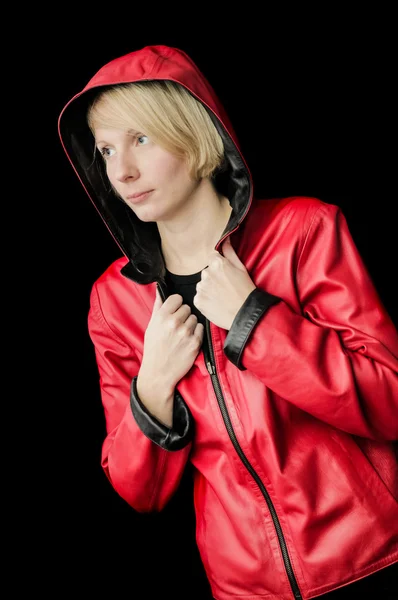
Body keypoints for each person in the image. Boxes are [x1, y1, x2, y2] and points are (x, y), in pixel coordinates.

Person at [58, 44, 398, 600]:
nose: (121, 170)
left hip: (374, 557)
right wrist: (153, 385)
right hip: (245, 589)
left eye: (140, 139)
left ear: (191, 135)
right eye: (105, 150)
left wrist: (254, 321)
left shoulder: (303, 232)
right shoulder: (113, 300)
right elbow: (139, 492)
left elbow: (389, 402)